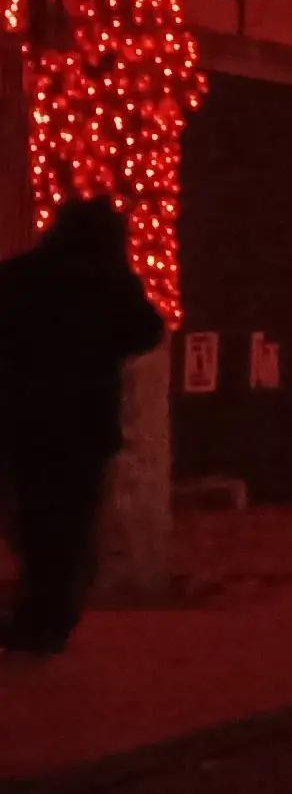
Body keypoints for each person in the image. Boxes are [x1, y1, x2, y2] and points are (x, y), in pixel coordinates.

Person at [0, 198, 166, 656]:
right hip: (84, 429)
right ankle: (50, 619)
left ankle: (33, 613)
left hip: (26, 422)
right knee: (71, 529)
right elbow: (147, 332)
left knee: (36, 524)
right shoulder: (108, 286)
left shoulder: (21, 275)